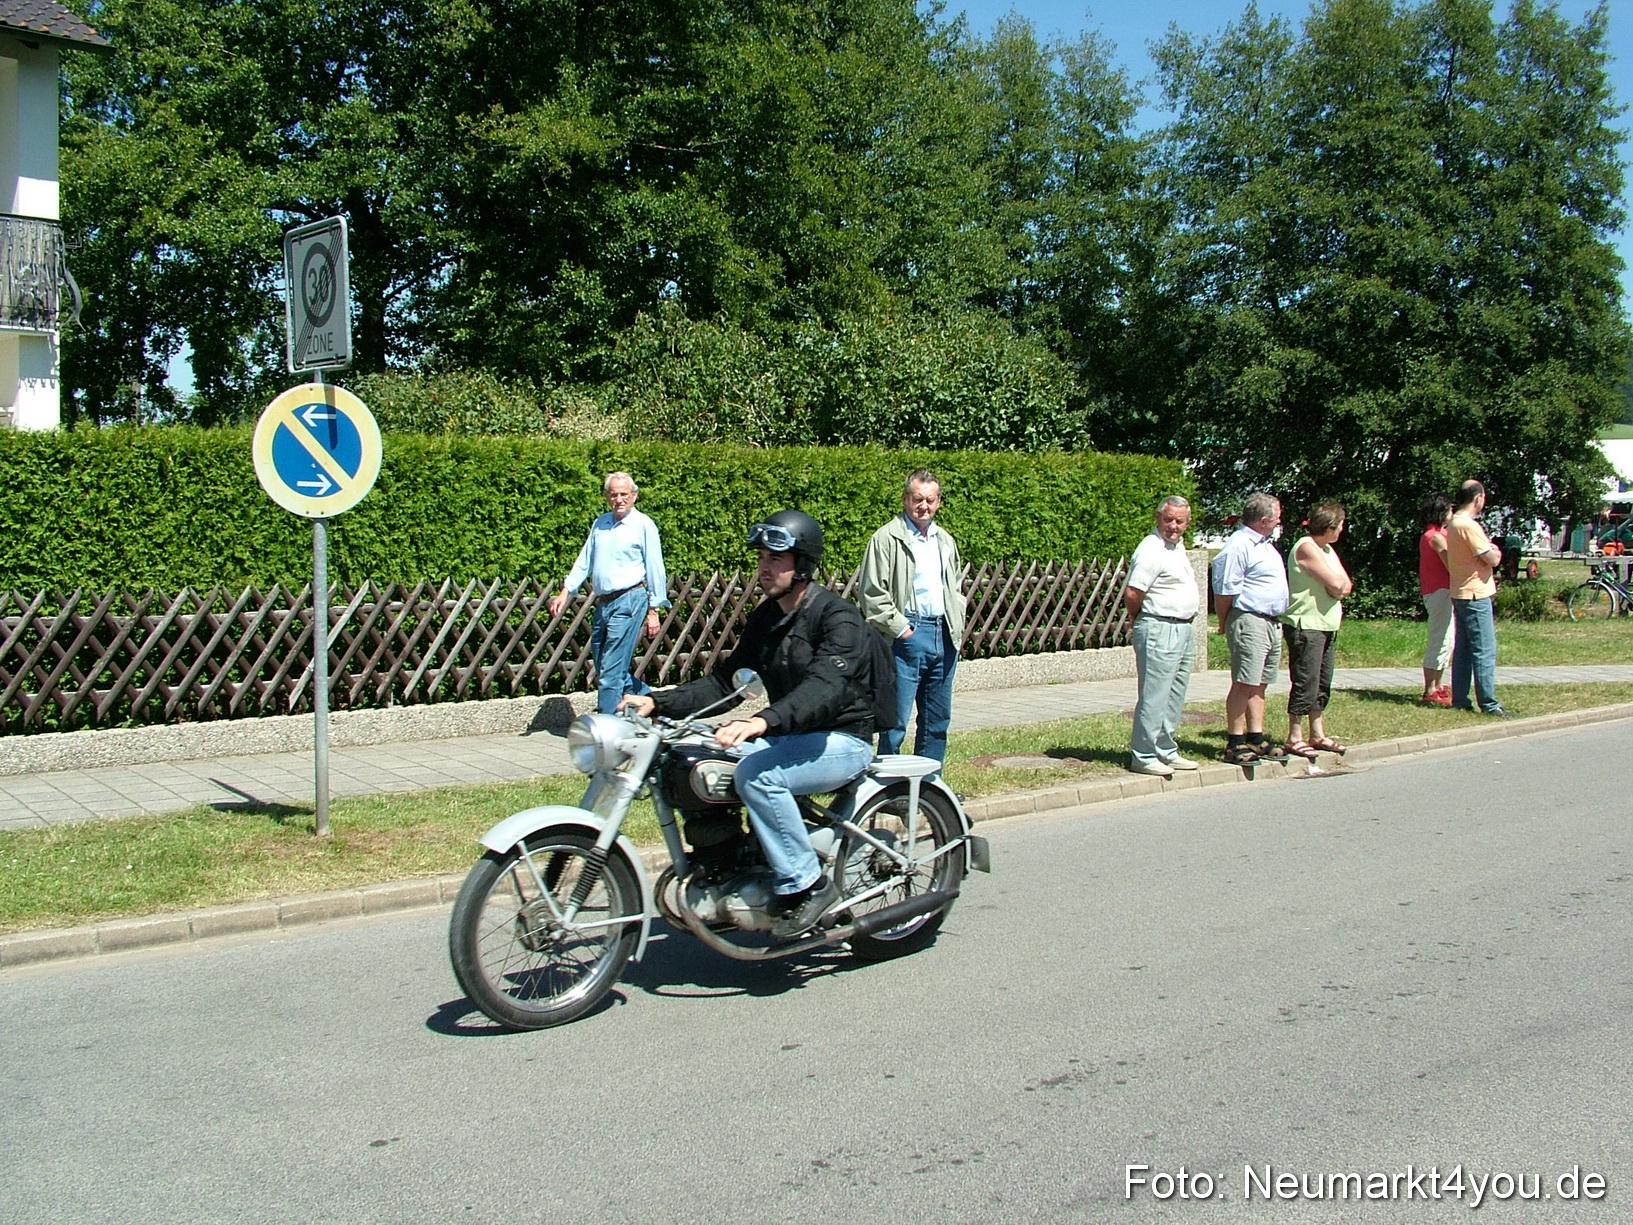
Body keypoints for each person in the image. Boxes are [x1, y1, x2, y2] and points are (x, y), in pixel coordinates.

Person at [622, 510, 876, 938]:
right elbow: (726, 681)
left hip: (842, 739)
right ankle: (725, 862)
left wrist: (763, 721)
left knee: (758, 776)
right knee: (697, 758)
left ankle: (807, 884)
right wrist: (657, 702)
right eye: (761, 557)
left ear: (803, 565)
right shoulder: (768, 617)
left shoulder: (838, 617)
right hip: (792, 735)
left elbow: (825, 686)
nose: (764, 567)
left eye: (776, 558)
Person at [857, 469, 967, 768]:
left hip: (943, 635)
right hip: (906, 636)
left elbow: (954, 586)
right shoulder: (886, 538)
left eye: (931, 500)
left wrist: (957, 620)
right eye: (918, 499)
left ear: (939, 502)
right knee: (895, 722)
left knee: (937, 720)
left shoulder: (944, 540)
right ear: (906, 499)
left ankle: (929, 786)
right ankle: (887, 790)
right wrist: (903, 629)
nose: (924, 506)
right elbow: (872, 593)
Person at [548, 472, 669, 714]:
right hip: (604, 603)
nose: (619, 499)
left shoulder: (643, 525)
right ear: (607, 497)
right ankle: (651, 702)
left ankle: (609, 727)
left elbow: (655, 566)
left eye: (624, 494)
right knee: (606, 666)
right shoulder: (600, 523)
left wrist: (654, 609)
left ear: (634, 496)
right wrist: (565, 591)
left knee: (611, 671)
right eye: (614, 494)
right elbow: (585, 560)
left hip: (630, 600)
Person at [1123, 495, 1201, 777]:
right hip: (1159, 626)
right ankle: (1143, 755)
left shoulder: (1176, 547)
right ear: (1158, 518)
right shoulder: (1151, 549)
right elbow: (1134, 592)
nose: (1173, 526)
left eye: (1180, 521)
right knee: (1155, 695)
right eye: (1168, 519)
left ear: (1187, 523)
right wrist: (1138, 619)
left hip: (1183, 627)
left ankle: (1165, 750)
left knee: (1175, 693)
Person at [1211, 492, 1290, 765]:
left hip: (1270, 621)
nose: (1280, 520)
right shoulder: (1239, 545)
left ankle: (1256, 737)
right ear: (1264, 520)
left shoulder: (1265, 545)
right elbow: (1224, 590)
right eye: (1277, 516)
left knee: (1260, 682)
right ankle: (1235, 741)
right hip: (1249, 618)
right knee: (1244, 681)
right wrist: (1224, 622)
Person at [1281, 500, 1353, 759]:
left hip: (1327, 624)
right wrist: (1336, 587)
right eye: (1340, 525)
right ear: (1329, 525)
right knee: (1305, 681)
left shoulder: (1327, 551)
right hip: (1306, 624)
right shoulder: (1306, 546)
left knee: (1323, 681)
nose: (1342, 530)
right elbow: (1335, 583)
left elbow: (1346, 584)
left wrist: (1337, 587)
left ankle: (1317, 732)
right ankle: (1294, 735)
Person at [1446, 480, 1509, 716]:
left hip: (1460, 591)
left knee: (1463, 649)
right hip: (1475, 593)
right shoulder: (1468, 525)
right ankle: (1489, 703)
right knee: (1484, 649)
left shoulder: (1453, 523)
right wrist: (1496, 551)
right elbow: (1491, 558)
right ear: (1478, 498)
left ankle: (1460, 698)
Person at [1418, 493, 1455, 706]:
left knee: (1448, 640)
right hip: (1440, 591)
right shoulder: (1435, 537)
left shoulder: (1438, 534)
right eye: (1449, 510)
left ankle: (1438, 685)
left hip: (1442, 590)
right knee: (1440, 639)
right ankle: (1430, 688)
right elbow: (1450, 563)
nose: (1451, 514)